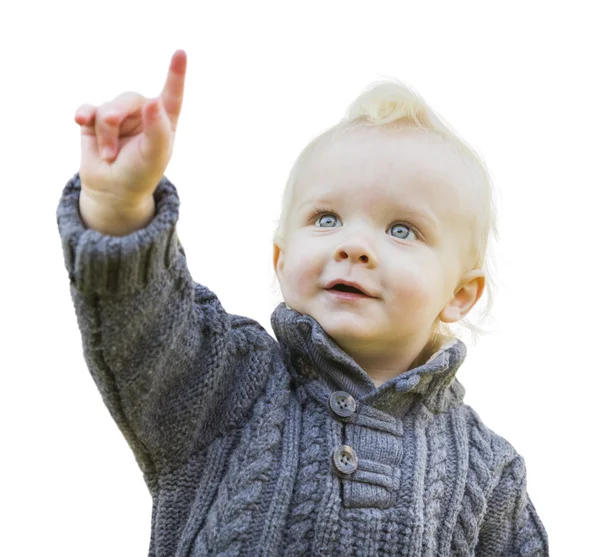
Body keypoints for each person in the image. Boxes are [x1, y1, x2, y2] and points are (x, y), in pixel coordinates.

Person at [56, 49, 549, 556]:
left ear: (460, 294)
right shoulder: (229, 382)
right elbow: (147, 327)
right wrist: (119, 206)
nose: (352, 245)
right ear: (281, 258)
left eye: (403, 229)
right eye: (327, 219)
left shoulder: (488, 473)